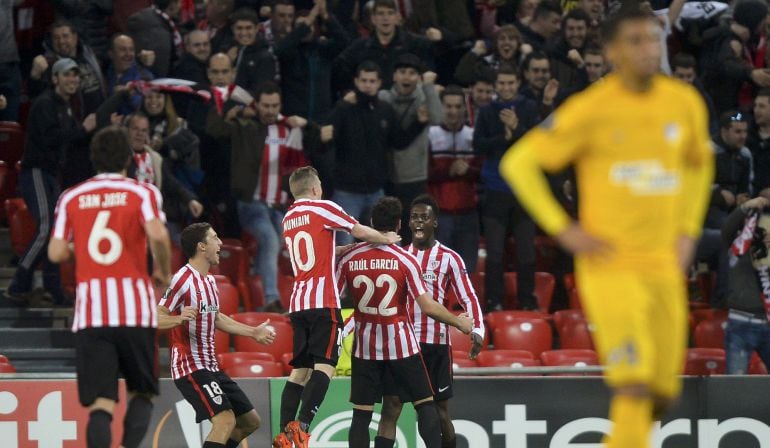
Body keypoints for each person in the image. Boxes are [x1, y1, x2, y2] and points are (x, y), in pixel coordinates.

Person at [500, 3, 714, 447]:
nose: (647, 49)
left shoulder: (684, 103)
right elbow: (518, 163)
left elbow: (698, 163)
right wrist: (564, 229)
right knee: (633, 383)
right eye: (635, 41)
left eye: (653, 38)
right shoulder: (590, 109)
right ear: (612, 50)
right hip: (611, 267)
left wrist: (687, 231)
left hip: (664, 267)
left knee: (661, 391)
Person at [47, 125, 172, 448]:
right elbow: (158, 234)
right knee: (141, 392)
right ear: (129, 159)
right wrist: (163, 269)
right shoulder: (142, 192)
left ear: (93, 159)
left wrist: (82, 246)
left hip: (92, 315)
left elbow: (56, 252)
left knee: (102, 404)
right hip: (135, 311)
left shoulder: (71, 196)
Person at [273, 166, 402, 448]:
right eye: (320, 184)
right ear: (315, 188)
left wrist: (337, 251)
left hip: (298, 303)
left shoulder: (288, 218)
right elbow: (357, 229)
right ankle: (302, 427)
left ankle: (285, 432)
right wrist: (386, 238)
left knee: (299, 371)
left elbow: (313, 251)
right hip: (323, 302)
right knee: (325, 366)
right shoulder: (322, 208)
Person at [335, 196, 473, 448]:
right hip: (401, 346)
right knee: (425, 404)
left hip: (365, 348)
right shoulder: (405, 259)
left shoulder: (349, 258)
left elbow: (333, 299)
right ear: (399, 225)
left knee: (362, 415)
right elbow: (427, 306)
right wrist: (458, 323)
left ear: (371, 223)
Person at [372, 195, 484, 448]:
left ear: (435, 222)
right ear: (407, 223)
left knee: (440, 410)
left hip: (435, 345)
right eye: (414, 217)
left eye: (424, 217)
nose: (418, 222)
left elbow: (468, 296)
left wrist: (478, 329)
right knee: (391, 407)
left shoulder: (449, 258)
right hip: (400, 344)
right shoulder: (397, 255)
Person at [206, 81, 324, 312]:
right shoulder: (245, 126)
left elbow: (322, 140)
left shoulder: (289, 129)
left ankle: (265, 287)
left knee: (279, 240)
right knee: (270, 239)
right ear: (256, 105)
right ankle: (270, 298)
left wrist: (307, 125)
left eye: (274, 105)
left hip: (280, 205)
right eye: (265, 105)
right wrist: (233, 110)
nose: (270, 110)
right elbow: (214, 129)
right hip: (252, 203)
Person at [158, 222, 276, 447]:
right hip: (190, 366)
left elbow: (217, 317)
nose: (221, 243)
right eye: (215, 238)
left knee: (250, 422)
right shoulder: (181, 280)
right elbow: (155, 316)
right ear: (202, 246)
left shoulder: (210, 281)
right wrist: (178, 319)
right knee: (225, 421)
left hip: (211, 367)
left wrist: (253, 332)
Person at [5, 59, 97, 307]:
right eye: (67, 75)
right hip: (35, 171)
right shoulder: (45, 103)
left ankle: (52, 286)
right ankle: (19, 283)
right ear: (55, 78)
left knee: (56, 231)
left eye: (75, 77)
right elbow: (51, 139)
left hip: (50, 175)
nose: (72, 81)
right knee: (47, 227)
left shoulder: (64, 106)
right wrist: (83, 129)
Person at [328, 61, 428, 245]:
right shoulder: (344, 110)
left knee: (390, 243)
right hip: (346, 192)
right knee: (343, 246)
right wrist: (341, 105)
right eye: (364, 80)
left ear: (380, 83)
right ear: (356, 82)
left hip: (376, 190)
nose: (368, 85)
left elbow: (398, 142)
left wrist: (418, 124)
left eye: (372, 81)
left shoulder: (385, 110)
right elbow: (326, 140)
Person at [473, 64, 541, 311]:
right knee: (495, 253)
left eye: (510, 83)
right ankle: (494, 302)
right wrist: (506, 136)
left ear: (518, 83)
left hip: (524, 191)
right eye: (501, 84)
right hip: (495, 190)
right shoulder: (487, 111)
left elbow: (537, 144)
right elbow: (478, 145)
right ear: (495, 86)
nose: (506, 88)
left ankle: (528, 301)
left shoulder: (529, 108)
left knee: (526, 253)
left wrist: (518, 128)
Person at [379, 54, 443, 243]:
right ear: (394, 76)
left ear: (418, 77)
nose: (406, 77)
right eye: (402, 72)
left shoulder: (424, 96)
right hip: (386, 175)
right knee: (387, 231)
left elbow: (438, 119)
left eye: (412, 73)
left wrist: (429, 87)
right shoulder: (384, 97)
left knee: (411, 230)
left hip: (415, 176)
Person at [428, 86, 482, 272]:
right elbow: (423, 174)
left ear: (464, 109)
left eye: (458, 107)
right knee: (438, 271)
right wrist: (448, 172)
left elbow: (483, 173)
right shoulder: (431, 135)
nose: (453, 111)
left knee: (467, 272)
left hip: (468, 214)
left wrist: (469, 170)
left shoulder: (473, 136)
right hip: (441, 214)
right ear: (441, 107)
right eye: (449, 106)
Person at [721, 196, 770, 374]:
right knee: (735, 386)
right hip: (740, 326)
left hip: (768, 323)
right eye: (764, 229)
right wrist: (746, 207)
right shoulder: (738, 250)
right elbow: (727, 229)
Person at [28, 20, 107, 115]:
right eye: (56, 38)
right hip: (75, 124)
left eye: (65, 36)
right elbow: (36, 96)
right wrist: (35, 76)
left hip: (101, 118)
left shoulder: (89, 55)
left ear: (75, 37)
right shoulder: (50, 64)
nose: (61, 41)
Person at [127, 0, 184, 77]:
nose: (181, 5)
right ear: (172, 4)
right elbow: (138, 55)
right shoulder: (143, 21)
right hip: (151, 80)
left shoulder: (170, 22)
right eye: (180, 2)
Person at [229, 8, 277, 92]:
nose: (244, 33)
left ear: (257, 28)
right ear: (233, 29)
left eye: (248, 28)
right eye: (239, 28)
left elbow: (261, 92)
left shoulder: (265, 57)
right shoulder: (229, 51)